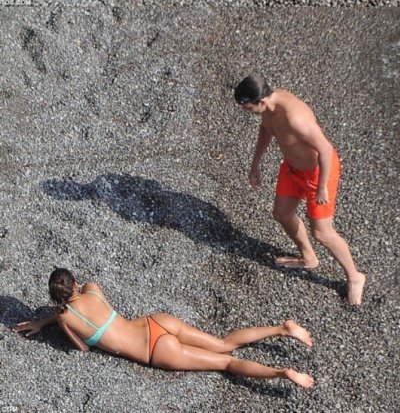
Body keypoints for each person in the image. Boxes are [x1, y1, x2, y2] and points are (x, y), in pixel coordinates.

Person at [13, 268, 314, 387]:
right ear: (75, 283)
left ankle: (282, 373)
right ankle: (282, 328)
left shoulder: (66, 318)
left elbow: (82, 347)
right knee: (224, 343)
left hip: (156, 350)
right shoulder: (92, 288)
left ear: (55, 299)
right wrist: (44, 319)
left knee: (227, 363)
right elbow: (86, 310)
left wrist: (54, 323)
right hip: (156, 322)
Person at [235, 75, 366, 304]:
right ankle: (308, 257)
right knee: (282, 214)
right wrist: (256, 163)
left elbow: (325, 149)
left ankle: (355, 277)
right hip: (292, 168)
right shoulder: (267, 109)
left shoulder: (294, 117)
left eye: (247, 107)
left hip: (318, 172)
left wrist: (322, 186)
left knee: (322, 232)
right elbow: (266, 130)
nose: (245, 111)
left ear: (261, 101)